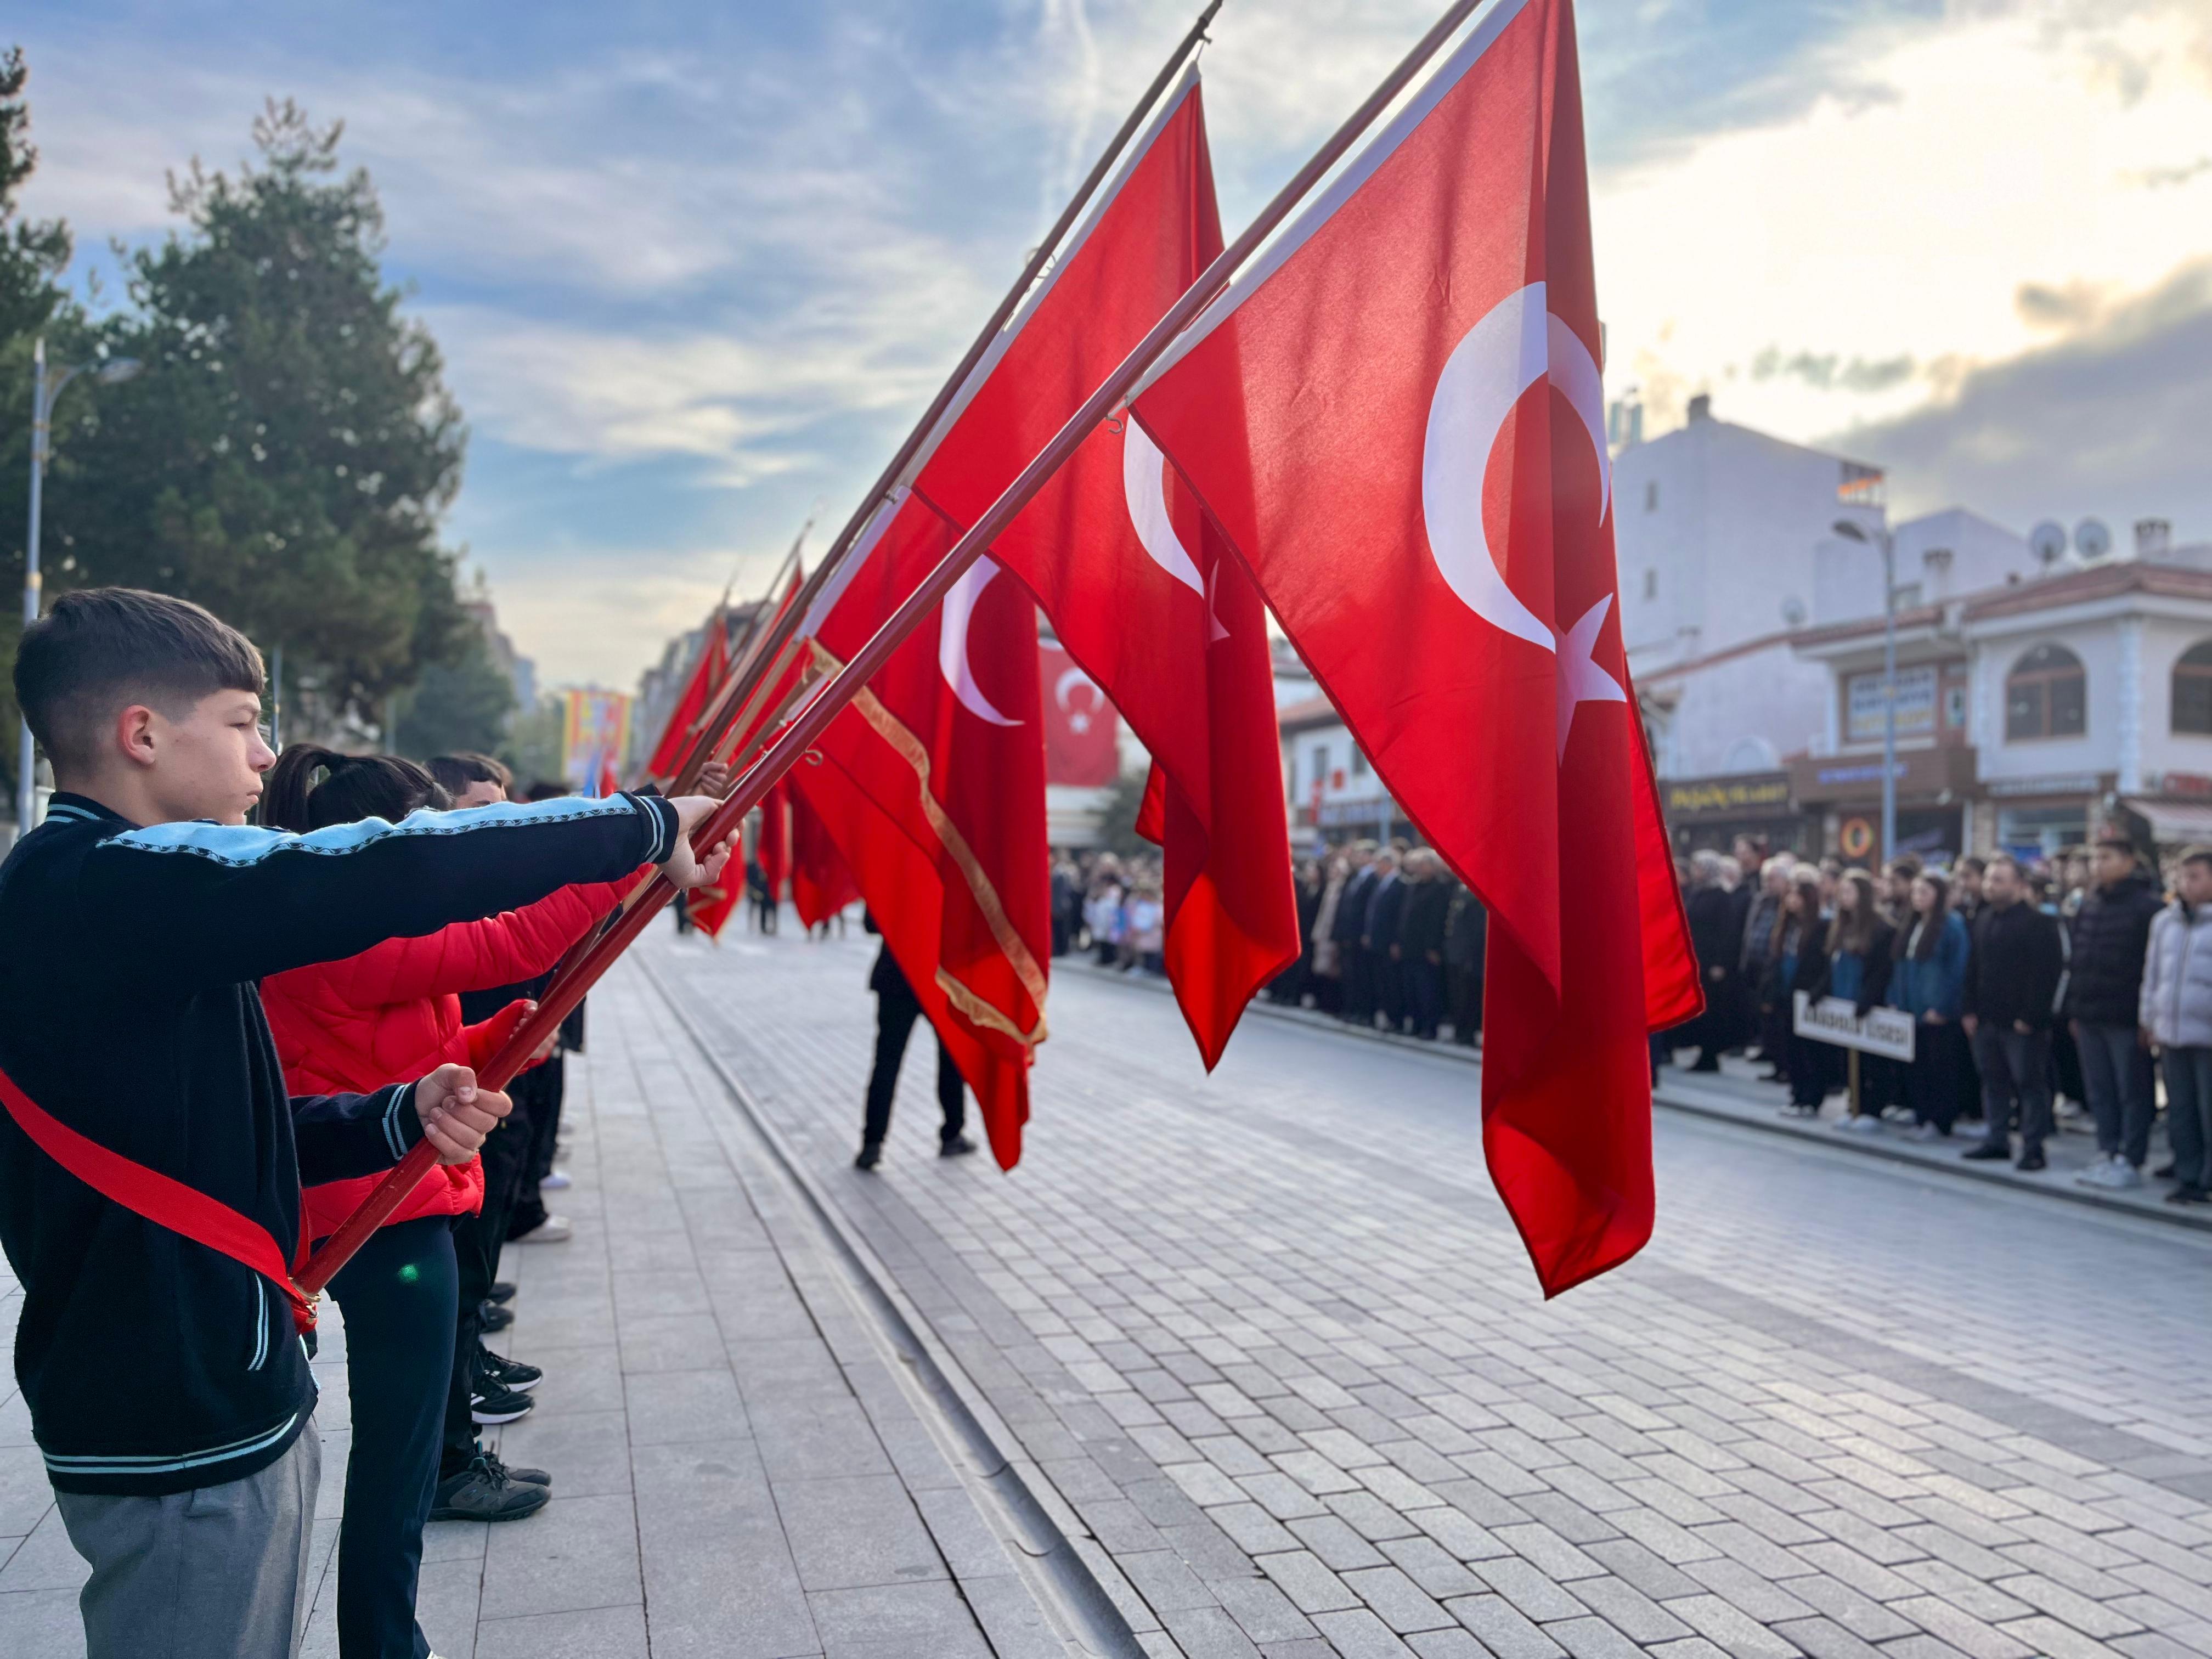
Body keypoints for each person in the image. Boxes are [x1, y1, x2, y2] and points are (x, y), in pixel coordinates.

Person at [0, 588, 725, 1659]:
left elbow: (220, 1136)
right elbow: (403, 871)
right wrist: (644, 824)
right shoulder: (108, 882)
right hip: (176, 1409)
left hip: (208, 1388)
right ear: (140, 735)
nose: (264, 758)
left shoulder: (126, 903)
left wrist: (392, 1115)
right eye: (245, 723)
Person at [259, 747, 642, 1649]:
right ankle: (385, 1641)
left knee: (405, 1444)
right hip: (379, 1212)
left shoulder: (359, 924)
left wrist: (508, 1030)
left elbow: (425, 1048)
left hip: (391, 1195)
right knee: (400, 1458)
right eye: (427, 837)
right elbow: (512, 941)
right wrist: (642, 842)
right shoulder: (342, 931)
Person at [2066, 832, 2164, 1189]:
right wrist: (2074, 1010)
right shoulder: (2090, 904)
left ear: (2128, 862)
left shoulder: (2148, 907)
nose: (2098, 865)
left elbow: (2153, 970)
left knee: (2132, 1090)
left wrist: (2147, 1018)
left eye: (2106, 858)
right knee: (2100, 1089)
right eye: (2095, 859)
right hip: (2090, 1012)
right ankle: (2106, 1151)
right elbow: (2077, 960)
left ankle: (2130, 1157)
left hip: (2126, 1017)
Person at [1961, 855, 2068, 1171]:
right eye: (1989, 879)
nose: (1991, 886)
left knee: (2029, 1084)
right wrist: (1969, 1009)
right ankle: (1997, 1140)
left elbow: (2047, 975)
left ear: (2019, 886)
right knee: (1992, 1081)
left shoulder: (2040, 924)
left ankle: (2033, 1147)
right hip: (1986, 1019)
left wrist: (2032, 1017)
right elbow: (1974, 968)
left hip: (2022, 1023)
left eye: (1999, 880)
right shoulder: (1983, 920)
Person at [856, 915, 977, 1169]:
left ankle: (872, 1143)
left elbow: (871, 924)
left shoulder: (890, 874)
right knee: (950, 1058)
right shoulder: (952, 873)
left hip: (896, 976)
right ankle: (952, 1133)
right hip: (940, 975)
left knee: (886, 1062)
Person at [2141, 847, 2212, 1205]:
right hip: (2172, 1031)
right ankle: (2188, 1173)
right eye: (2182, 877)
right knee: (2180, 1109)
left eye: (2195, 876)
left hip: (2207, 1035)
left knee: (2207, 1108)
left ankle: (2208, 1179)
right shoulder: (2165, 921)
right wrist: (2149, 1018)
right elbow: (2153, 975)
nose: (2186, 884)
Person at [1888, 871, 1971, 1142]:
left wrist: (1944, 1007)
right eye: (1915, 892)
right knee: (1917, 1066)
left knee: (1940, 1068)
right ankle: (1921, 1114)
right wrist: (1896, 999)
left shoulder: (1952, 926)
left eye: (1925, 892)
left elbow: (1957, 970)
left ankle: (1940, 1120)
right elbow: (1900, 966)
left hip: (1936, 1011)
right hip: (1911, 1008)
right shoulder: (1911, 924)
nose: (1918, 898)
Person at [1821, 869, 1897, 1132]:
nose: (1843, 897)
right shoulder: (1841, 926)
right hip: (1843, 1001)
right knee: (1847, 1058)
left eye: (1849, 892)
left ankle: (1872, 1108)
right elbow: (1833, 965)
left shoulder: (1881, 929)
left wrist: (1867, 1000)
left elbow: (1881, 971)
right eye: (1841, 892)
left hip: (1866, 1004)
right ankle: (1853, 1104)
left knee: (1870, 1060)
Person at [1774, 870, 1833, 1115]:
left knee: (1810, 1051)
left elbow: (1823, 964)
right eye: (1789, 896)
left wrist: (1814, 992)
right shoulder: (1788, 926)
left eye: (1797, 896)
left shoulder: (1821, 925)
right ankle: (1797, 1094)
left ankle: (1811, 1098)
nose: (1791, 901)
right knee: (1791, 1048)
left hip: (1807, 995)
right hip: (1787, 993)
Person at [1682, 850, 1743, 1071]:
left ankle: (1709, 1054)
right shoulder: (1697, 893)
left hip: (1712, 962)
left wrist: (1720, 963)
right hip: (1696, 958)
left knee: (1712, 1009)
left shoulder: (1722, 896)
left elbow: (1728, 932)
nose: (1695, 871)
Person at [1398, 850, 1455, 1040]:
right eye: (1419, 865)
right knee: (1410, 989)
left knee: (1428, 991)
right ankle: (1415, 1024)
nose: (1421, 869)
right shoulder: (1413, 886)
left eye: (1425, 865)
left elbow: (1437, 921)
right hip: (1408, 947)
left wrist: (1433, 948)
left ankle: (1429, 1028)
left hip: (1426, 950)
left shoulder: (1439, 888)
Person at [1332, 842, 1379, 1024]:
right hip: (1348, 936)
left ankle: (1365, 1012)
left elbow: (1367, 910)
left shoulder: (1373, 878)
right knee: (1350, 975)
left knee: (1363, 977)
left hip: (1360, 937)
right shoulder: (1355, 877)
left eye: (1362, 854)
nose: (1358, 858)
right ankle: (1351, 1009)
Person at [1363, 850, 1407, 1031]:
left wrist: (1396, 942)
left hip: (1390, 943)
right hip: (1377, 942)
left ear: (1389, 864)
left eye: (1379, 864)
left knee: (1392, 984)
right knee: (1380, 982)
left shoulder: (1401, 885)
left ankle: (1396, 1020)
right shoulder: (1380, 884)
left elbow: (1400, 917)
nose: (1376, 868)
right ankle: (1387, 1018)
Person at [1443, 881, 1486, 1045]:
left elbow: (1476, 930)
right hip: (1455, 952)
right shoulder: (1461, 889)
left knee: (1468, 997)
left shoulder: (1477, 892)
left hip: (1469, 956)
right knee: (1457, 994)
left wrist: (1470, 956)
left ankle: (1467, 1033)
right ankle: (1459, 1031)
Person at [1307, 854, 1348, 1014]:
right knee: (1321, 969)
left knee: (1332, 970)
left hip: (1333, 934)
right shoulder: (1330, 888)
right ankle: (1322, 1001)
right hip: (1323, 933)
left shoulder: (1342, 888)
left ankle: (1332, 1005)